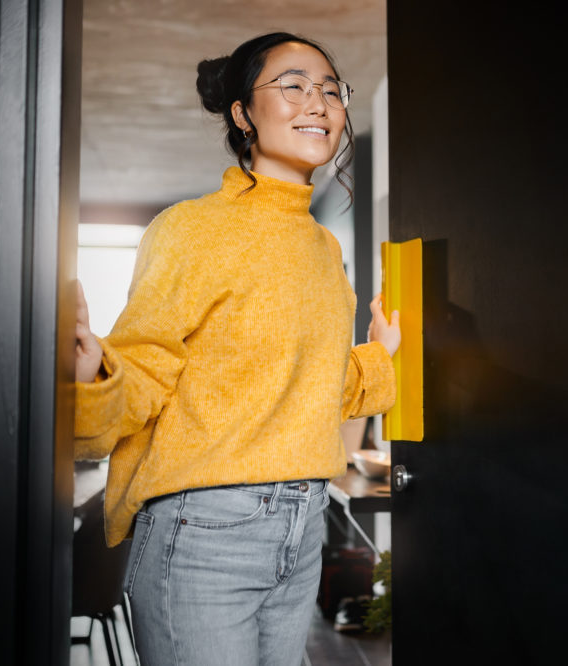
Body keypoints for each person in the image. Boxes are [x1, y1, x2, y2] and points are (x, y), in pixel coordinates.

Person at [73, 32, 399, 666]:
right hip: (204, 531)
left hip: (304, 526)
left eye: (331, 89)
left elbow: (307, 389)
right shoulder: (192, 228)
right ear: (243, 114)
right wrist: (95, 376)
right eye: (295, 85)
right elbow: (144, 370)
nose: (320, 102)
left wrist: (379, 355)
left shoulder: (321, 248)